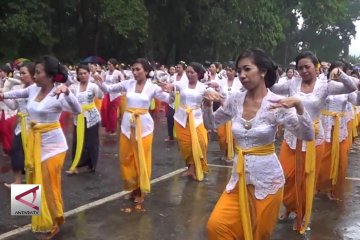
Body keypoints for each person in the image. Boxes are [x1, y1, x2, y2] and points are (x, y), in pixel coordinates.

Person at [205, 48, 314, 240]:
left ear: (262, 71)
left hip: (268, 181)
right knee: (217, 226)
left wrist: (299, 106)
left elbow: (307, 134)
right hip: (238, 179)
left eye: (247, 69)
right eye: (239, 71)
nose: (242, 75)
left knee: (259, 234)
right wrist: (206, 105)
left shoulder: (276, 103)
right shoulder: (235, 100)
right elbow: (210, 123)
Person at [271, 51, 357, 233]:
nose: (303, 71)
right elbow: (272, 87)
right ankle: (289, 205)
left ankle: (301, 214)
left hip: (313, 139)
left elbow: (350, 88)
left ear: (316, 67)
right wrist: (266, 71)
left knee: (306, 180)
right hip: (292, 136)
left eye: (307, 66)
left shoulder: (325, 85)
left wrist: (340, 74)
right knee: (285, 177)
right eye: (300, 67)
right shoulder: (292, 83)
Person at [0, 55, 81, 240]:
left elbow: (77, 110)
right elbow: (16, 94)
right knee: (30, 175)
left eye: (37, 72)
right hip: (32, 139)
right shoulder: (32, 89)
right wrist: (3, 94)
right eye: (33, 72)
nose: (34, 76)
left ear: (50, 75)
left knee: (48, 185)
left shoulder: (58, 93)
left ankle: (53, 221)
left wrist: (68, 92)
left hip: (53, 147)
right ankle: (32, 219)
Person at [95, 58, 171, 208]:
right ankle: (132, 186)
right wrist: (100, 82)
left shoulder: (153, 87)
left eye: (138, 69)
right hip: (127, 125)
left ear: (147, 71)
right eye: (133, 69)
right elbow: (109, 89)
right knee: (125, 158)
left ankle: (140, 190)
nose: (134, 72)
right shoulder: (128, 83)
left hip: (144, 127)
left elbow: (170, 99)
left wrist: (173, 90)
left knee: (141, 159)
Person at [165, 62, 214, 181]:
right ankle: (191, 168)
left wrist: (209, 102)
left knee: (202, 142)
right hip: (181, 118)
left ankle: (197, 166)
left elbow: (208, 104)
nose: (189, 74)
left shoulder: (203, 87)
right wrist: (169, 88)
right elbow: (172, 87)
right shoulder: (181, 84)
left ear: (198, 74)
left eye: (192, 72)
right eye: (188, 72)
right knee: (185, 145)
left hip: (196, 118)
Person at [66, 64, 103, 175]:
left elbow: (100, 96)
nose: (83, 76)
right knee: (77, 141)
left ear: (89, 73)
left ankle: (92, 164)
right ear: (77, 75)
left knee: (92, 142)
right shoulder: (73, 87)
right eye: (80, 74)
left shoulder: (93, 86)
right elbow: (69, 99)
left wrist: (100, 84)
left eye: (85, 73)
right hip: (79, 116)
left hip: (92, 117)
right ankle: (76, 165)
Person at [3, 62, 35, 187]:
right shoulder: (18, 89)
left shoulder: (38, 89)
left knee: (31, 155)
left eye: (24, 73)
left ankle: (30, 182)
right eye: (20, 73)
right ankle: (18, 181)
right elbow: (14, 106)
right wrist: (3, 97)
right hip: (20, 126)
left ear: (33, 74)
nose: (21, 76)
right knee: (16, 151)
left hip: (34, 126)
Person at [207, 62, 243, 162]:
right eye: (227, 70)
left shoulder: (240, 82)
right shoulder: (221, 82)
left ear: (235, 71)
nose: (228, 72)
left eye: (231, 70)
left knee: (234, 135)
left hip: (236, 113)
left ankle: (232, 154)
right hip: (223, 112)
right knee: (222, 135)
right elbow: (214, 90)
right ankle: (226, 151)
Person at [100, 58, 124, 135]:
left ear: (114, 65)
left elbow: (123, 83)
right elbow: (102, 82)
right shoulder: (105, 73)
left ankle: (113, 130)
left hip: (115, 94)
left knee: (112, 112)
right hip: (107, 93)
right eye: (107, 64)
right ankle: (107, 127)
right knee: (104, 109)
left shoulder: (118, 73)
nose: (108, 66)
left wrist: (122, 91)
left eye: (109, 64)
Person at [0, 64, 18, 156]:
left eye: (1, 71)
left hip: (9, 109)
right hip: (1, 109)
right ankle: (7, 148)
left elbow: (19, 82)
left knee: (6, 129)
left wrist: (8, 78)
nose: (0, 73)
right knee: (3, 130)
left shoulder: (10, 81)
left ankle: (10, 148)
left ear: (6, 72)